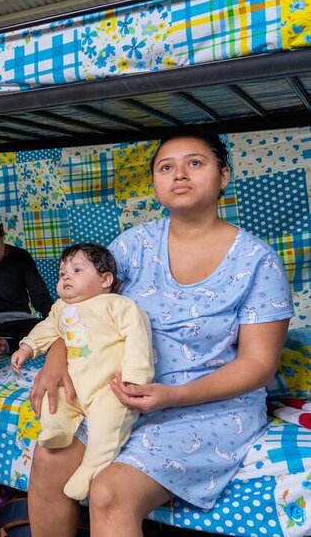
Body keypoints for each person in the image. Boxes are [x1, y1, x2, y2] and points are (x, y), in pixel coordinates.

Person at [27, 132, 293, 537]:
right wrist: (55, 357)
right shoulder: (133, 245)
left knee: (109, 491)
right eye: (166, 167)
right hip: (121, 396)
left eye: (195, 163)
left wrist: (172, 396)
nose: (179, 174)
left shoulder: (258, 262)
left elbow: (258, 364)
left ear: (223, 177)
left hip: (207, 405)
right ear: (155, 182)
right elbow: (82, 308)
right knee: (49, 459)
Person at [10, 243, 153, 500]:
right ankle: (57, 429)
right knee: (56, 402)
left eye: (77, 270)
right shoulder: (60, 309)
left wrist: (135, 378)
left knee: (107, 425)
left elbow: (137, 337)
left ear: (105, 279)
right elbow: (46, 330)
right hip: (76, 385)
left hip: (110, 387)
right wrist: (27, 347)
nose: (66, 276)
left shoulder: (116, 305)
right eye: (62, 272)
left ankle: (91, 468)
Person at [0, 206, 54, 358]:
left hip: (19, 322)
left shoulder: (21, 258)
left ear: (1, 231)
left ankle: (4, 346)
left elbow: (40, 297)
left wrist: (55, 319)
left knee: (41, 329)